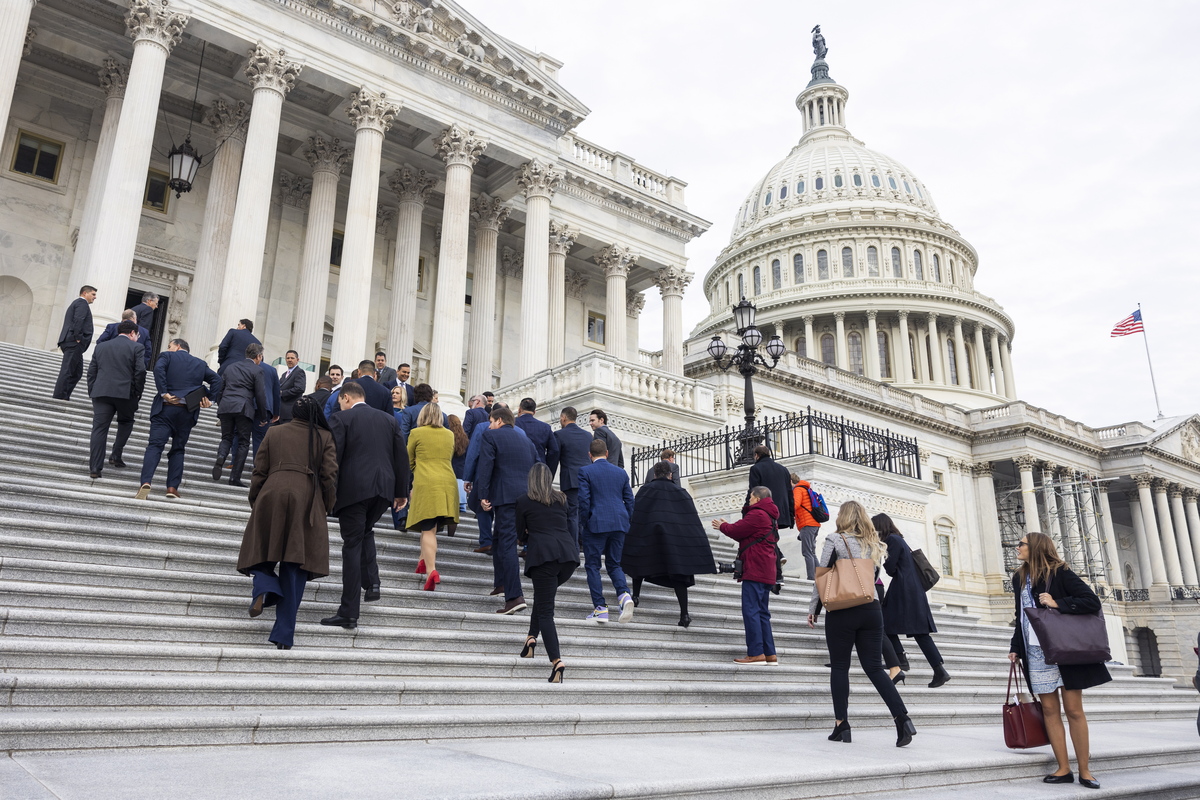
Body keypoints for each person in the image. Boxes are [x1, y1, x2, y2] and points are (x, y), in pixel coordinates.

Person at [806, 500, 915, 748]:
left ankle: (841, 725)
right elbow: (874, 576)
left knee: (840, 667)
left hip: (842, 610)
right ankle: (902, 719)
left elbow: (822, 574)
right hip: (871, 608)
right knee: (875, 668)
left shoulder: (835, 540)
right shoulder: (874, 543)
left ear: (842, 517)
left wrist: (814, 608)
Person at [1009, 531, 1109, 789]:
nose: (1016, 547)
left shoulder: (1060, 571)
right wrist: (1015, 647)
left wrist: (1057, 603)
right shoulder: (1018, 577)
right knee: (1050, 711)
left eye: (1021, 544)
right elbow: (1020, 616)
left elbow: (1090, 600)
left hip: (1065, 651)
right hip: (1035, 652)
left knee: (1074, 710)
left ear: (1036, 548)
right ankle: (1063, 768)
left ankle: (1085, 770)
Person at [237, 395, 338, 649]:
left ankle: (264, 586)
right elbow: (329, 476)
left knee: (260, 553)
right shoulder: (324, 437)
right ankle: (283, 636)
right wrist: (325, 505)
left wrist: (256, 500)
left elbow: (259, 470)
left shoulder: (274, 432)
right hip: (306, 498)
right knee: (295, 569)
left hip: (272, 492)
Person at [321, 381, 409, 629]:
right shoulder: (389, 420)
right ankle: (372, 582)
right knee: (363, 532)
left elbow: (332, 458)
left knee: (351, 545)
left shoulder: (341, 419)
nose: (340, 405)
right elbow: (400, 456)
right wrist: (401, 492)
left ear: (346, 397)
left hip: (354, 490)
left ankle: (349, 611)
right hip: (383, 490)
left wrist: (326, 492)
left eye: (340, 401)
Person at [625, 461, 716, 628]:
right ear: (670, 475)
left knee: (638, 563)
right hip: (675, 541)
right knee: (679, 574)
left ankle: (636, 596)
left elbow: (636, 516)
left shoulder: (645, 491)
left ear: (654, 474)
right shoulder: (681, 492)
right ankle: (684, 614)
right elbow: (691, 520)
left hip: (650, 539)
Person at [135, 339, 221, 500]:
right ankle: (172, 488)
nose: (168, 348)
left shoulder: (167, 357)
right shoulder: (199, 363)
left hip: (165, 409)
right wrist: (210, 399)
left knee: (155, 447)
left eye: (170, 346)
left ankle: (145, 482)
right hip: (186, 413)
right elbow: (217, 380)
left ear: (178, 346)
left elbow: (158, 369)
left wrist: (164, 392)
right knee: (178, 449)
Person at [516, 462, 578, 684]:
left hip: (544, 557)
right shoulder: (561, 498)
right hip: (568, 557)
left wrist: (528, 532)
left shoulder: (524, 501)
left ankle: (556, 661)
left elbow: (519, 534)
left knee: (546, 611)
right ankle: (531, 640)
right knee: (543, 600)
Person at [872, 513, 949, 688]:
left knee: (885, 623)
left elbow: (891, 570)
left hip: (903, 590)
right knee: (920, 633)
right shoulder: (899, 539)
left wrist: (882, 557)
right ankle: (938, 669)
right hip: (913, 590)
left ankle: (902, 660)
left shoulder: (892, 541)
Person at [475, 405, 538, 614]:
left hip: (505, 498)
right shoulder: (527, 441)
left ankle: (514, 596)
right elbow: (538, 467)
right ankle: (501, 583)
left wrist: (483, 495)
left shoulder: (490, 437)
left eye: (492, 421)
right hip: (526, 497)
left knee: (507, 544)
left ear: (499, 421)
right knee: (499, 539)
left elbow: (485, 466)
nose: (489, 425)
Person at [713, 486, 780, 664]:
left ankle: (756, 653)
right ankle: (769, 653)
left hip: (755, 569)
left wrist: (722, 526)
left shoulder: (758, 514)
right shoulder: (771, 516)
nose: (749, 501)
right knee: (763, 613)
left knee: (751, 611)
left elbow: (737, 530)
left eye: (750, 498)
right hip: (766, 569)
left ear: (757, 498)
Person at [577, 439, 636, 623]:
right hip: (619, 523)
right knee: (614, 564)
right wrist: (625, 519)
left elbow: (584, 500)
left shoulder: (585, 471)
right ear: (607, 453)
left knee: (593, 565)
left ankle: (600, 608)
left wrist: (585, 521)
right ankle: (625, 595)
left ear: (589, 455)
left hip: (596, 523)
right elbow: (630, 500)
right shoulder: (620, 472)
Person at [406, 402, 459, 590]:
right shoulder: (449, 434)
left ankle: (431, 570)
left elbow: (409, 459)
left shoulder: (417, 433)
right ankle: (423, 560)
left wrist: (417, 471)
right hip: (447, 481)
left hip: (426, 481)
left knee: (428, 527)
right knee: (432, 525)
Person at [85, 320, 146, 478]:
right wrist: (137, 393)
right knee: (126, 422)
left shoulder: (101, 346)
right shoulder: (137, 347)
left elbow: (92, 372)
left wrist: (93, 390)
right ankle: (116, 455)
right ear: (132, 333)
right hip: (125, 394)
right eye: (137, 335)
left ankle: (95, 468)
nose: (137, 338)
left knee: (99, 429)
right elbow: (140, 371)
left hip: (101, 392)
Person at [212, 342, 269, 487]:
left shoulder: (231, 367)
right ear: (258, 356)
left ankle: (221, 457)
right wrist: (263, 416)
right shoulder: (257, 370)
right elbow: (261, 395)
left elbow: (220, 389)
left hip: (226, 406)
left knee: (226, 437)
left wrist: (221, 404)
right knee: (243, 442)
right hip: (243, 408)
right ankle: (234, 477)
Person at [554, 406, 593, 549]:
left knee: (572, 515)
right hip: (587, 480)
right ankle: (584, 544)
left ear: (563, 418)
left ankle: (573, 548)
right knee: (584, 513)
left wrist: (548, 478)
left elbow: (554, 458)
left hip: (570, 480)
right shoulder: (588, 435)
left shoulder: (559, 434)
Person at [53, 284, 96, 400]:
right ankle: (59, 397)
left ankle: (64, 395)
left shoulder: (78, 304)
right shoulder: (82, 304)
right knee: (67, 370)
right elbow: (79, 320)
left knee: (77, 373)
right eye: (93, 294)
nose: (95, 297)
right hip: (74, 342)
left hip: (74, 343)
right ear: (84, 293)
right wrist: (78, 337)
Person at [747, 445, 794, 530]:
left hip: (764, 512)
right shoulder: (783, 469)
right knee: (773, 538)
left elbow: (754, 491)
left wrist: (746, 511)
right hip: (781, 513)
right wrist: (791, 515)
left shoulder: (756, 468)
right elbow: (790, 493)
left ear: (757, 455)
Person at [514, 397, 560, 473]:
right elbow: (554, 451)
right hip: (538, 469)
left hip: (516, 468)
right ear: (534, 412)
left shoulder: (512, 424)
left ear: (519, 409)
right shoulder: (545, 427)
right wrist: (546, 469)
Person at [250, 355, 282, 457]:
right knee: (259, 439)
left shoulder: (242, 366)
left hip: (245, 406)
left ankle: (234, 463)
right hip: (265, 408)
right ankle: (257, 468)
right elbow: (276, 393)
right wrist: (276, 412)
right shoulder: (271, 370)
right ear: (260, 356)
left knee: (240, 436)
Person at [791, 473, 821, 580]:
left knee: (807, 552)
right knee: (812, 552)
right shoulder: (806, 489)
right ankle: (820, 577)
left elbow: (795, 504)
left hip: (807, 524)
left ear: (791, 481)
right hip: (814, 524)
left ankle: (811, 578)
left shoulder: (798, 489)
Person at [447, 414, 469, 517]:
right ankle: (451, 533)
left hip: (447, 471)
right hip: (460, 474)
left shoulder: (446, 436)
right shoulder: (465, 438)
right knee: (455, 510)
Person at [278, 350, 306, 422]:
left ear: (297, 360)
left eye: (292, 358)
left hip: (289, 412)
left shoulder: (299, 372)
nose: (289, 360)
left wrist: (282, 393)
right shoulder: (284, 374)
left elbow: (299, 388)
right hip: (280, 412)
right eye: (288, 358)